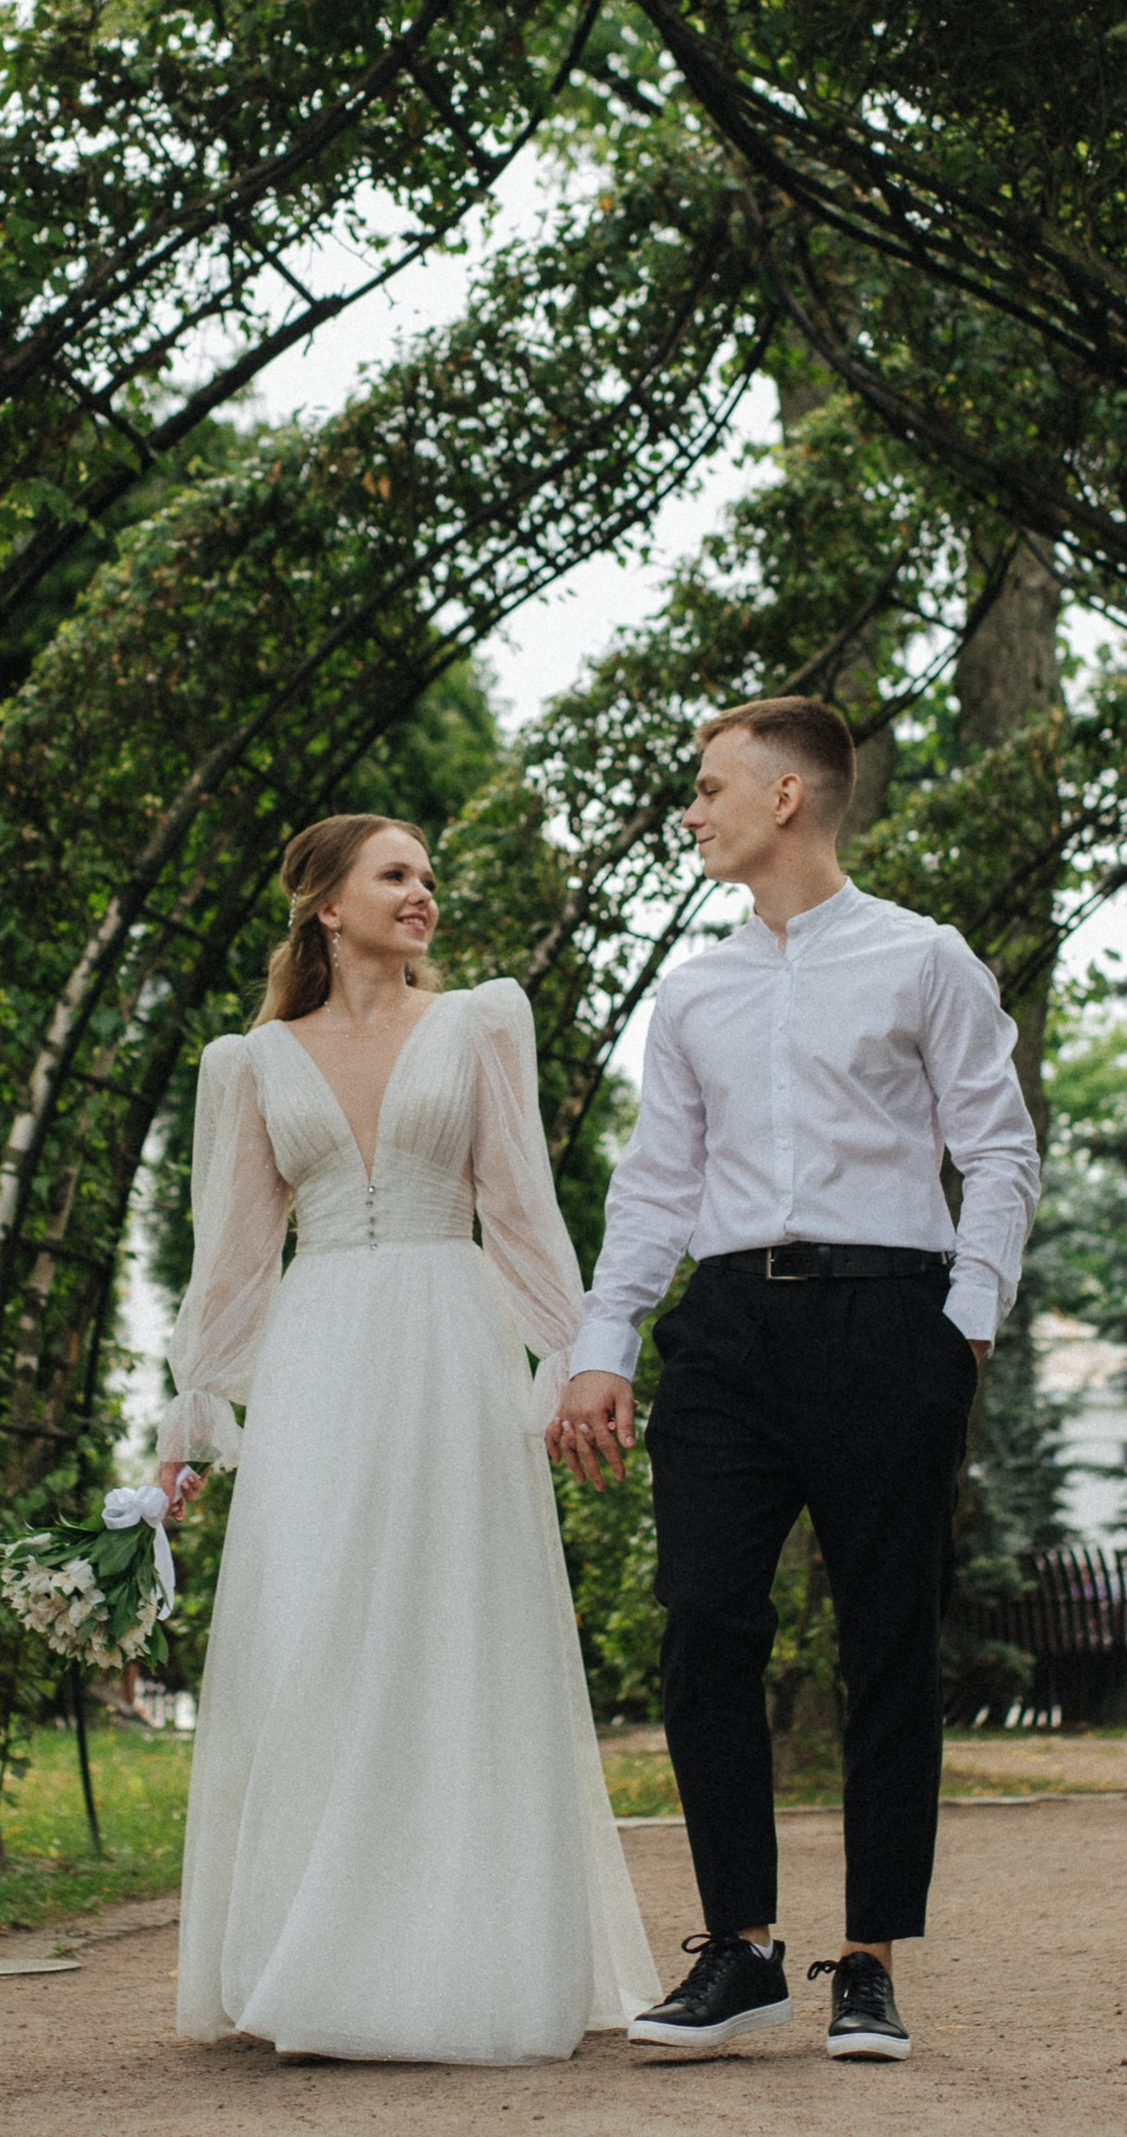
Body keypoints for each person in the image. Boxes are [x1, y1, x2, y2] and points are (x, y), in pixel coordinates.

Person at [552, 696, 1040, 2066]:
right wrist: (607, 1344)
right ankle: (743, 1948)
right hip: (725, 1334)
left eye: (710, 788)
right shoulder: (693, 987)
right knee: (704, 1618)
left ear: (788, 798)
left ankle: (870, 1962)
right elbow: (654, 1182)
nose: (691, 810)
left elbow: (998, 1149)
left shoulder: (922, 958)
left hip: (889, 1318)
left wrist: (966, 1318)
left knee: (888, 1636)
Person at [158, 812, 655, 2064]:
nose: (422, 893)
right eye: (396, 874)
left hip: (451, 1341)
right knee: (315, 1632)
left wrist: (571, 1358)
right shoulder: (253, 1060)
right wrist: (193, 1419)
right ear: (326, 903)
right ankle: (309, 1952)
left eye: (428, 875)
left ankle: (459, 1952)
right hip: (319, 1355)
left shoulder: (477, 1024)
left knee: (453, 1627)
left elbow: (521, 1206)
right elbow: (233, 1253)